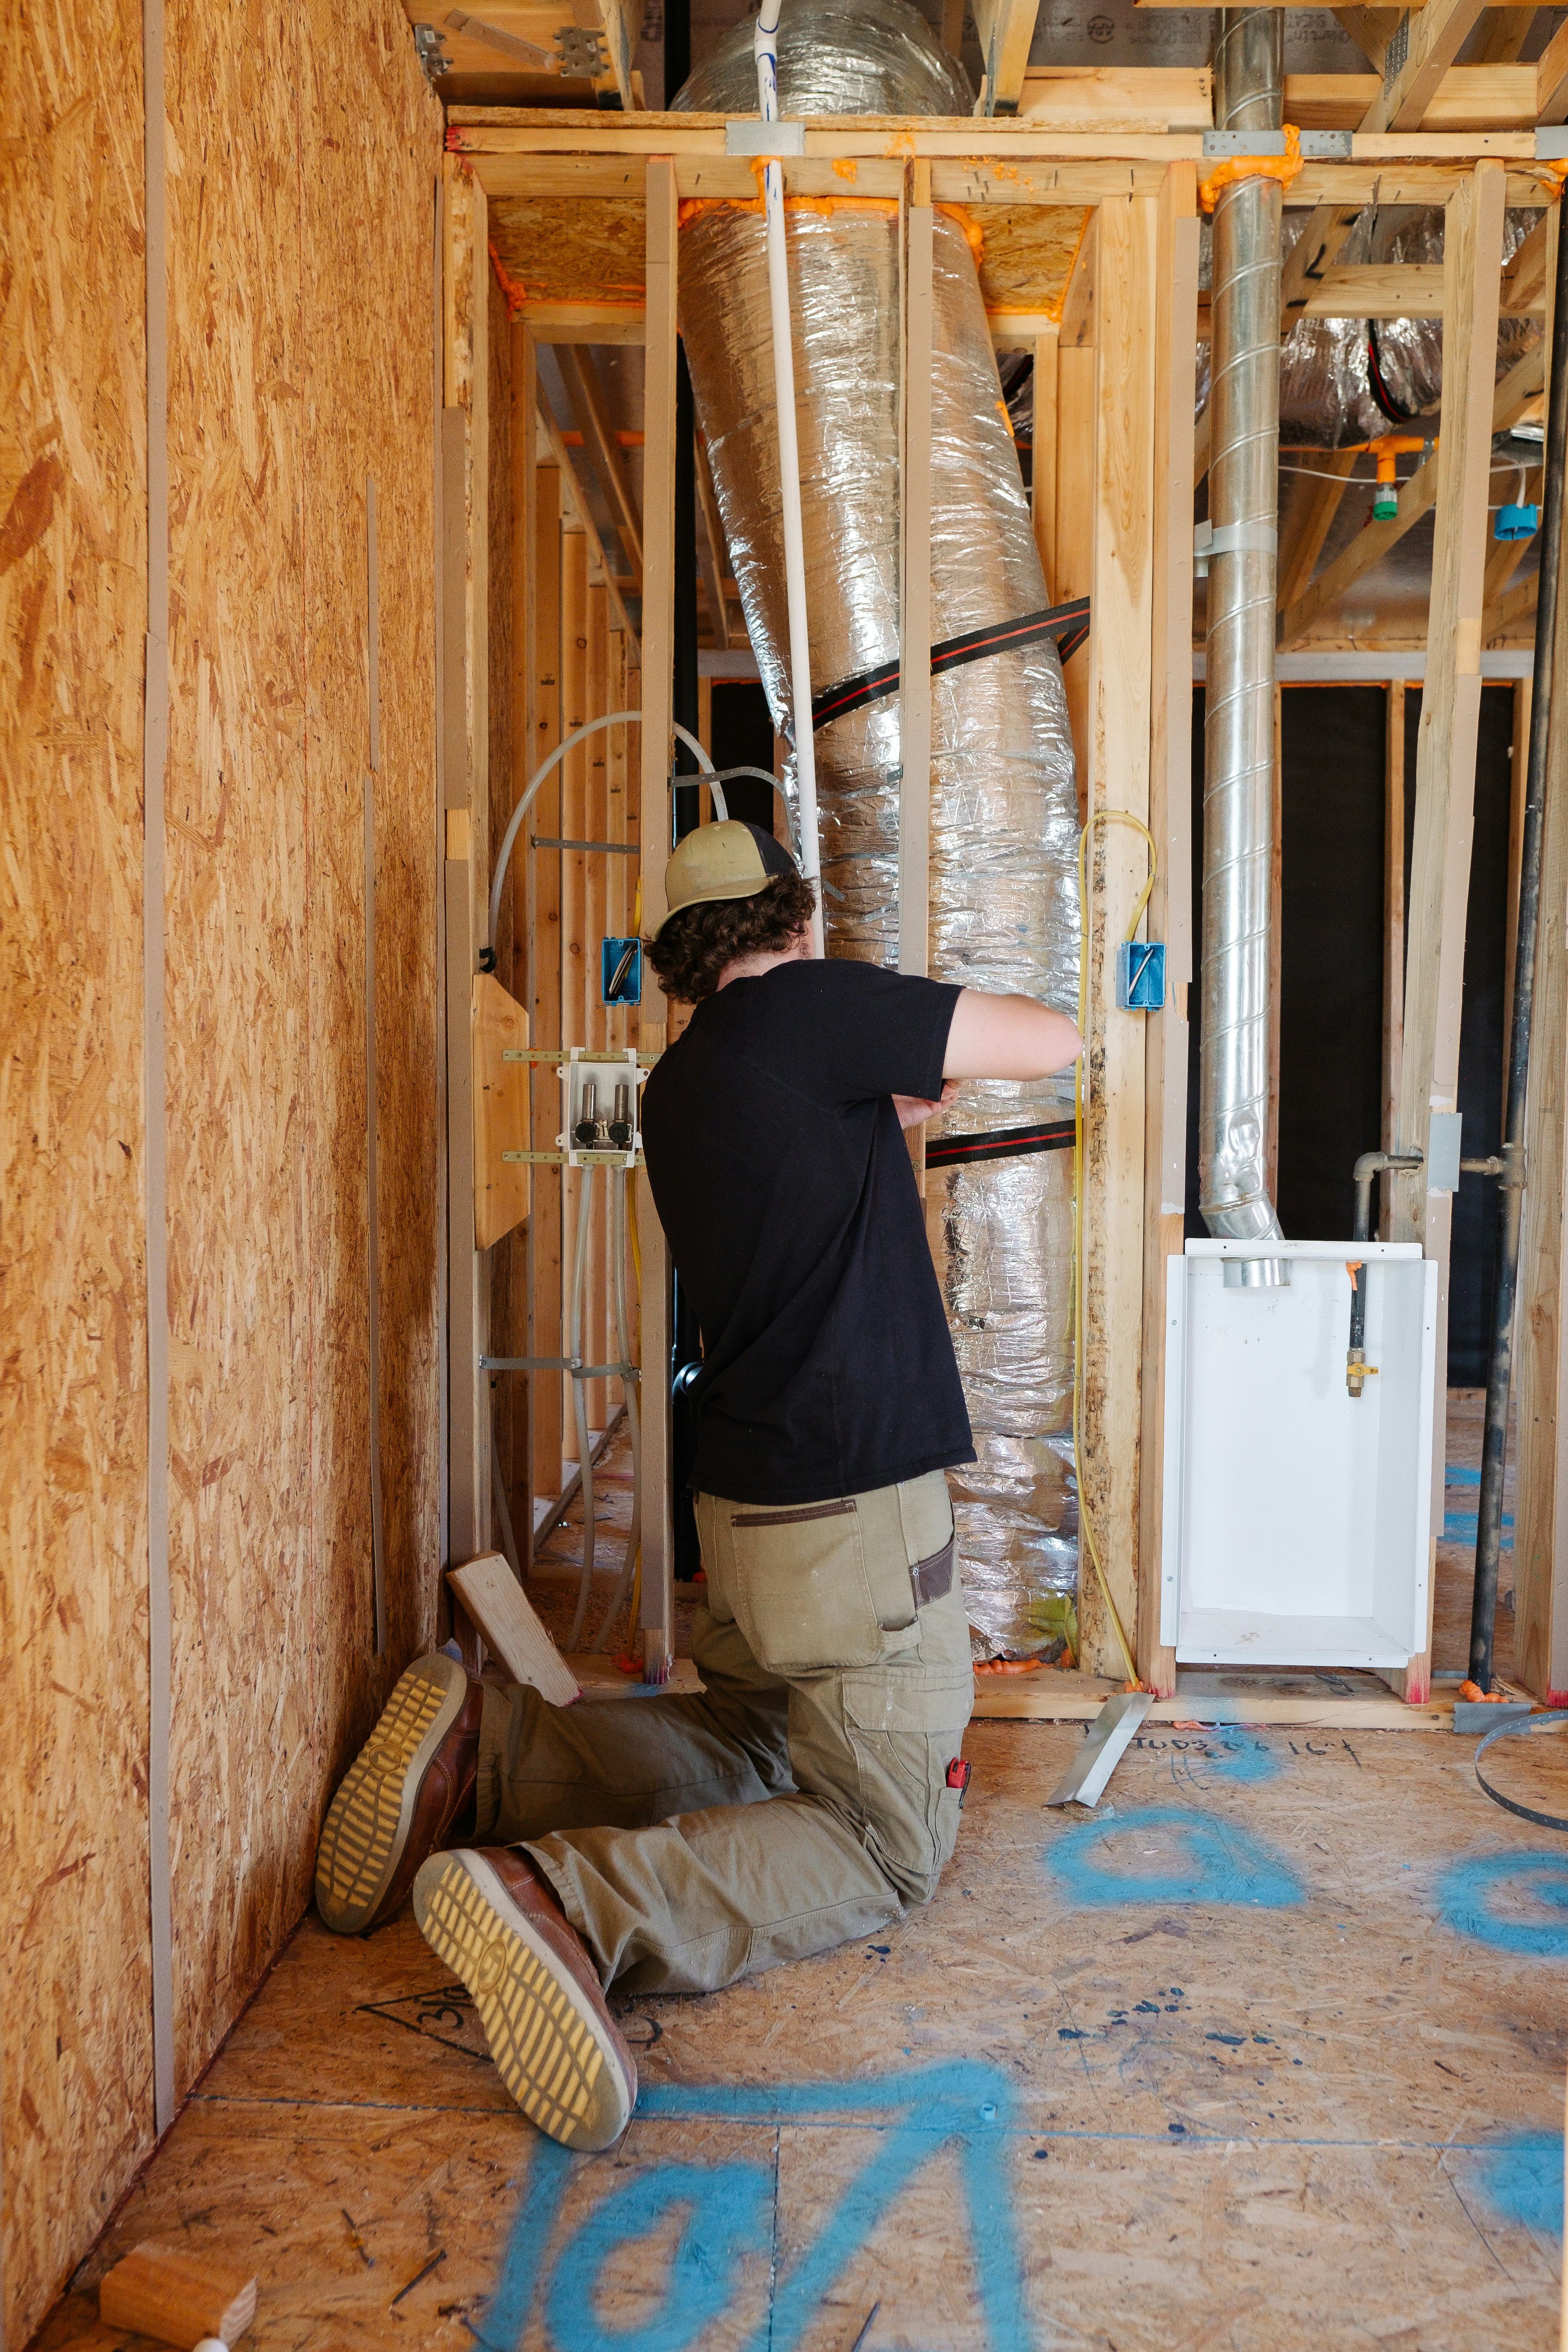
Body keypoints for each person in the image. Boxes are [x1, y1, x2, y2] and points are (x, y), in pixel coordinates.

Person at [314, 820, 1082, 2152]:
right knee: (885, 1840)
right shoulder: (815, 1006)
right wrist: (881, 1030)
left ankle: (489, 1761)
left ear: (679, 956)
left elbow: (803, 1166)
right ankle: (573, 1902)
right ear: (794, 922)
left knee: (755, 1744)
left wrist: (879, 1101)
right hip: (853, 1506)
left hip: (743, 1499)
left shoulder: (685, 1082)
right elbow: (1051, 1037)